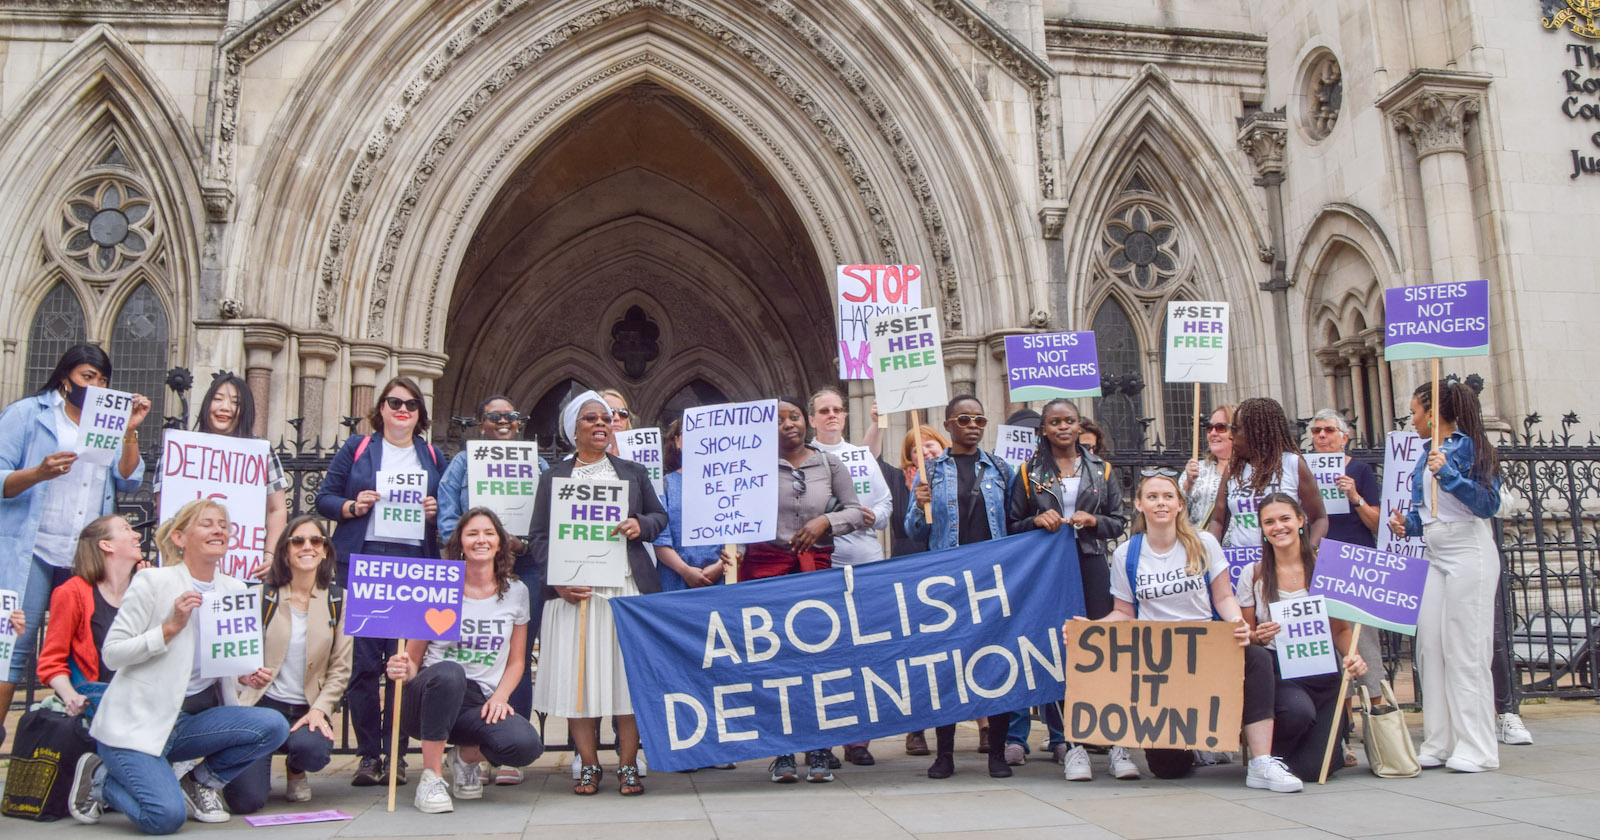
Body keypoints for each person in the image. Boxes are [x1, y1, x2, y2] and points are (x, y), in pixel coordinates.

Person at [70, 500, 289, 832]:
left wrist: (244, 676)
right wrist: (169, 628)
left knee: (272, 725)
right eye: (207, 523)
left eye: (224, 524)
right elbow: (112, 654)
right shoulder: (152, 582)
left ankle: (198, 783)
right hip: (136, 728)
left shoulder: (233, 589)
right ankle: (101, 779)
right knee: (165, 818)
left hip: (187, 726)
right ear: (179, 538)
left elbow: (222, 664)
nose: (219, 529)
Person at [1097, 473, 1304, 792]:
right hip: (1160, 662)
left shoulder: (1203, 542)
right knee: (1168, 769)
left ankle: (1261, 762)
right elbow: (1123, 612)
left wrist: (1237, 621)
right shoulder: (1127, 554)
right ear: (1139, 504)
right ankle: (1194, 741)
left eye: (1168, 496)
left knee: (1257, 657)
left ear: (1180, 503)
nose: (1160, 502)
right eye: (1152, 497)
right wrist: (1091, 632)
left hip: (1205, 650)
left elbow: (1223, 596)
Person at [0, 344, 149, 732]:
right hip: (32, 550)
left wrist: (130, 430)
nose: (95, 386)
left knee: (86, 646)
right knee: (14, 647)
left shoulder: (110, 422)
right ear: (66, 377)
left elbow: (128, 478)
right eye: (87, 377)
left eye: (102, 380)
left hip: (83, 556)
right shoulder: (27, 415)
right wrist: (38, 473)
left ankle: (78, 741)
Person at [719, 397, 866, 783]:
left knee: (817, 660)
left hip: (813, 570)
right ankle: (781, 752)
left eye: (794, 417)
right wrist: (729, 543)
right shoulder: (749, 465)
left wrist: (825, 522)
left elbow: (856, 511)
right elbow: (732, 513)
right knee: (773, 663)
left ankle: (819, 748)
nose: (788, 424)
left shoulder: (830, 464)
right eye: (778, 419)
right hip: (765, 570)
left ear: (806, 422)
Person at [529, 391, 666, 796]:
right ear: (574, 429)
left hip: (624, 591)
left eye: (606, 418)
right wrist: (557, 582)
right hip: (575, 593)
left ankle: (627, 765)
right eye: (591, 418)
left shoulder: (633, 472)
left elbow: (660, 517)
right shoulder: (555, 477)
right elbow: (538, 536)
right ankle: (589, 765)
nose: (601, 424)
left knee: (627, 681)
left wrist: (641, 524)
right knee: (579, 683)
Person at [315, 376, 445, 787]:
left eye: (410, 404)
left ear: (420, 413)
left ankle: (397, 756)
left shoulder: (431, 455)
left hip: (412, 565)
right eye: (393, 402)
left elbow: (447, 513)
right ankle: (369, 755)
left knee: (403, 664)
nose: (402, 409)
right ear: (381, 409)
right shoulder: (358, 449)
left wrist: (433, 510)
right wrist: (354, 505)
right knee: (364, 666)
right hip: (366, 562)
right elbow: (324, 497)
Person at [387, 508, 544, 812]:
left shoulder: (517, 592)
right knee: (449, 672)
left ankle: (465, 757)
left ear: (501, 542)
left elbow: (516, 662)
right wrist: (403, 668)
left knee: (526, 745)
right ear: (459, 542)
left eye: (488, 533)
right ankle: (430, 779)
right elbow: (414, 659)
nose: (480, 540)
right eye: (472, 534)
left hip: (478, 703)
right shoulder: (439, 586)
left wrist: (500, 696)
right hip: (430, 697)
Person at [1006, 399, 1129, 777]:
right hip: (1049, 569)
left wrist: (1093, 520)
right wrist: (1036, 520)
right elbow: (1013, 524)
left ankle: (1117, 744)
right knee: (1057, 649)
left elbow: (1119, 521)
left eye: (1069, 421)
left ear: (1080, 426)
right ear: (1043, 429)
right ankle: (1072, 745)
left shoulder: (1102, 469)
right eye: (1054, 422)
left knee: (1100, 649)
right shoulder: (1028, 472)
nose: (1063, 427)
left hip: (1091, 563)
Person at [1389, 379, 1503, 773]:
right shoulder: (1426, 452)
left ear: (1432, 413)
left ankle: (1478, 746)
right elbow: (1433, 511)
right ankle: (1440, 740)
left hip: (1469, 553)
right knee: (1430, 648)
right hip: (1436, 554)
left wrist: (1450, 474)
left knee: (1465, 650)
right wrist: (1410, 524)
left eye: (1415, 412)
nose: (1412, 420)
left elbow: (1488, 503)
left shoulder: (1474, 449)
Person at [438, 394, 550, 785]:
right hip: (474, 567)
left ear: (519, 423)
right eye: (494, 416)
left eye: (511, 416)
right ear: (480, 423)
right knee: (465, 650)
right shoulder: (463, 463)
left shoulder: (536, 462)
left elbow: (548, 514)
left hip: (525, 566)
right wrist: (467, 544)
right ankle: (468, 745)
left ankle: (504, 754)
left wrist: (523, 543)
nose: (504, 422)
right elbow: (448, 510)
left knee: (517, 654)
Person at [905, 395, 1015, 779]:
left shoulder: (1002, 469)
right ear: (949, 424)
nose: (973, 425)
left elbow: (1016, 522)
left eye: (980, 420)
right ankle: (945, 754)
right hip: (948, 584)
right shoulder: (931, 470)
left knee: (998, 662)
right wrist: (920, 507)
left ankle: (997, 752)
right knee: (947, 667)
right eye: (965, 419)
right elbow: (913, 532)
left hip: (991, 579)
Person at [222, 516, 352, 812]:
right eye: (298, 541)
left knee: (313, 751)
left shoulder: (339, 600)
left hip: (307, 709)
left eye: (316, 541)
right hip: (262, 707)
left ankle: (297, 768)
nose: (307, 546)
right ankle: (257, 759)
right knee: (245, 802)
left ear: (325, 551)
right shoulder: (260, 596)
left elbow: (340, 669)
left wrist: (320, 709)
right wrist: (243, 675)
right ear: (284, 551)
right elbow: (233, 656)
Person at [1237, 493, 1368, 781]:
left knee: (1315, 770)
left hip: (1323, 673)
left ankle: (1324, 746)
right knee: (1298, 712)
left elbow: (1341, 630)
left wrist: (1352, 655)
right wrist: (1259, 634)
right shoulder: (1254, 573)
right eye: (1269, 522)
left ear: (1300, 521)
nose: (1278, 527)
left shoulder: (1325, 568)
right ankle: (1268, 758)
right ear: (1262, 529)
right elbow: (1248, 636)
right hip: (1279, 674)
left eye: (1285, 519)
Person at [808, 387, 892, 766]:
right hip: (822, 566)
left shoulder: (861, 456)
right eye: (823, 411)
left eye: (838, 409)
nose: (831, 415)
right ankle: (821, 739)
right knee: (823, 654)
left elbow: (885, 502)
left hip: (866, 563)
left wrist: (876, 516)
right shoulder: (804, 458)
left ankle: (858, 739)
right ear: (812, 419)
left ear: (845, 415)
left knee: (863, 652)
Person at [156, 372, 290, 579]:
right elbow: (165, 507)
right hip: (183, 569)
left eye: (234, 402)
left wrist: (270, 555)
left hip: (242, 571)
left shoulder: (261, 451)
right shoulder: (179, 448)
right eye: (217, 399)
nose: (224, 407)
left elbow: (277, 508)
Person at [1306, 409, 1385, 735]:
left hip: (1354, 563)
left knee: (1361, 640)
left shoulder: (1361, 470)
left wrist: (1354, 496)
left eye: (1328, 430)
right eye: (1316, 431)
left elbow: (1378, 523)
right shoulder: (1305, 472)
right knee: (1329, 642)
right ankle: (1344, 726)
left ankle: (1380, 720)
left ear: (1344, 437)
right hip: (1318, 561)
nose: (1321, 436)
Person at [37, 514, 145, 719]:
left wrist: (151, 587)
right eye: (126, 529)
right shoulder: (72, 592)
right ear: (106, 545)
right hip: (97, 708)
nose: (137, 535)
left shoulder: (144, 588)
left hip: (141, 705)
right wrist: (71, 698)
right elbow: (51, 661)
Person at [1207, 397, 1326, 548]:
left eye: (1236, 429)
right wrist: (1210, 552)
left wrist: (1310, 551)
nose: (1231, 435)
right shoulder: (1233, 469)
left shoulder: (1293, 464)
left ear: (1257, 432)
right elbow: (1218, 520)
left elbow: (1319, 518)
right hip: (1243, 563)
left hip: (1286, 559)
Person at [652, 418, 724, 591]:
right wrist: (685, 571)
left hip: (721, 581)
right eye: (689, 432)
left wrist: (720, 566)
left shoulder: (727, 483)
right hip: (674, 582)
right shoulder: (663, 485)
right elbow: (660, 539)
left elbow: (739, 531)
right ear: (677, 441)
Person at [1183, 405, 1235, 529]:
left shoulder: (1253, 470)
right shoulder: (1196, 469)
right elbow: (1176, 515)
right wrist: (1188, 485)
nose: (1212, 433)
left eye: (1220, 427)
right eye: (1209, 428)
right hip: (1204, 546)